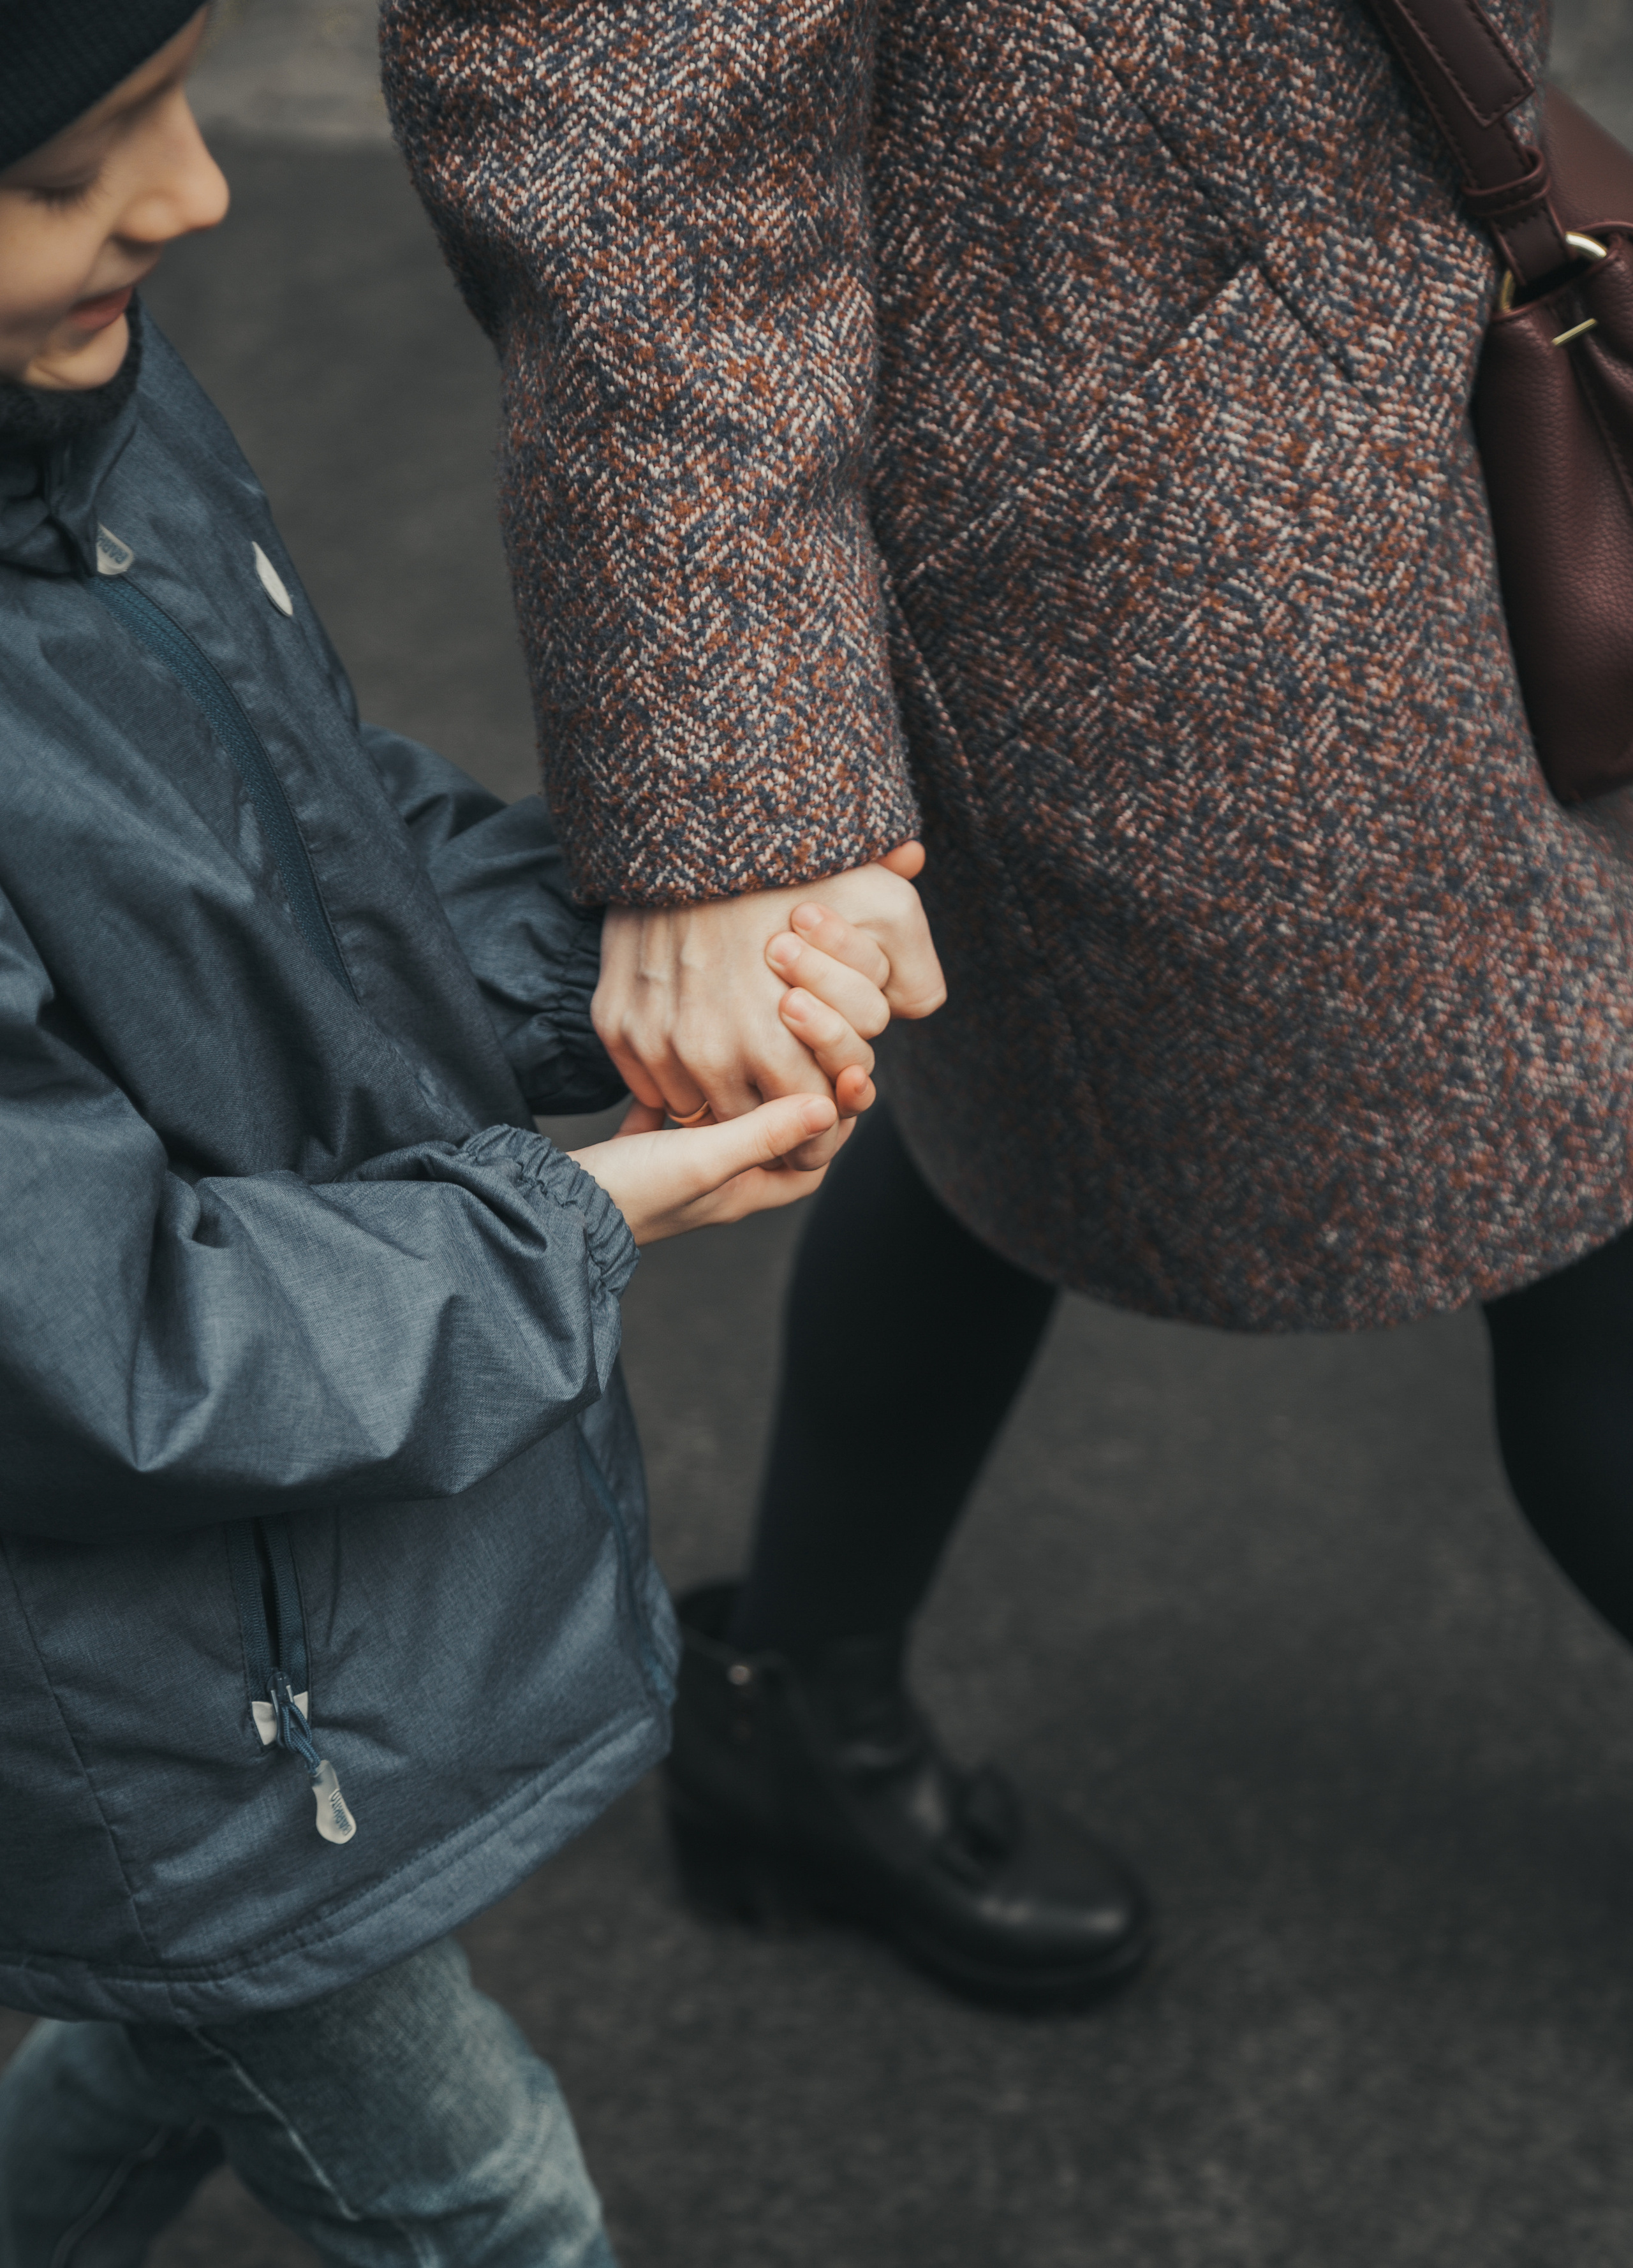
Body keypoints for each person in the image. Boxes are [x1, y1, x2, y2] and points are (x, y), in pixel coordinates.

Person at [381, 0, 1633, 2009]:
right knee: (1588, 1202)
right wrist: (730, 801)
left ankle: (796, 1704)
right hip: (1140, 512)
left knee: (1011, 1091)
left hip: (1389, 328)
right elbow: (621, 124)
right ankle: (800, 1708)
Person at [0, 12, 936, 2268]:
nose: (197, 195)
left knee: (195, 2026)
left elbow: (326, 837)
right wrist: (582, 1210)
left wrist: (664, 961)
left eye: (182, 96)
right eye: (68, 164)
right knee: (468, 2186)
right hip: (142, 1690)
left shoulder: (85, 422)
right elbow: (101, 1339)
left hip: (245, 1640)